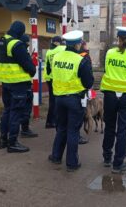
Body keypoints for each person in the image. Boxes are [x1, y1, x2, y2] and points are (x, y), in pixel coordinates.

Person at [48, 30, 94, 172]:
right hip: (74, 100)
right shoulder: (81, 60)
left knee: (61, 128)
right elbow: (88, 83)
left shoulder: (56, 57)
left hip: (58, 99)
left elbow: (51, 73)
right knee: (73, 131)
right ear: (77, 45)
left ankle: (56, 156)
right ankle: (72, 163)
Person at [100, 26, 126, 174]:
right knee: (122, 130)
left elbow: (106, 70)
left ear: (118, 39)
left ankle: (107, 158)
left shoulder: (109, 53)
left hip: (110, 96)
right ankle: (118, 164)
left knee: (110, 127)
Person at [0, 21, 36, 153]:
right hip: (18, 84)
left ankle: (3, 140)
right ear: (20, 32)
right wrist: (32, 70)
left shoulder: (0, 42)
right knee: (16, 113)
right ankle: (12, 143)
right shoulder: (17, 44)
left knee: (7, 111)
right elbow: (28, 65)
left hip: (5, 82)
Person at [44, 36, 66, 129]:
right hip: (57, 78)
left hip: (49, 78)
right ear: (57, 42)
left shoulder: (49, 51)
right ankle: (55, 121)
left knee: (52, 101)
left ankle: (49, 121)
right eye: (60, 42)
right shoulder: (61, 49)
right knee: (58, 101)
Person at [18, 34, 38, 138]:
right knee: (25, 109)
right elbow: (31, 70)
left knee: (15, 110)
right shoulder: (22, 53)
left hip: (13, 84)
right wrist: (30, 61)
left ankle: (16, 131)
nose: (27, 45)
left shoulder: (13, 51)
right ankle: (24, 130)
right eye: (27, 44)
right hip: (24, 84)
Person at [78, 40, 92, 145]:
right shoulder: (86, 57)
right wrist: (88, 87)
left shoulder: (72, 54)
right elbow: (88, 73)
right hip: (81, 89)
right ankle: (77, 135)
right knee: (80, 112)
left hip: (63, 91)